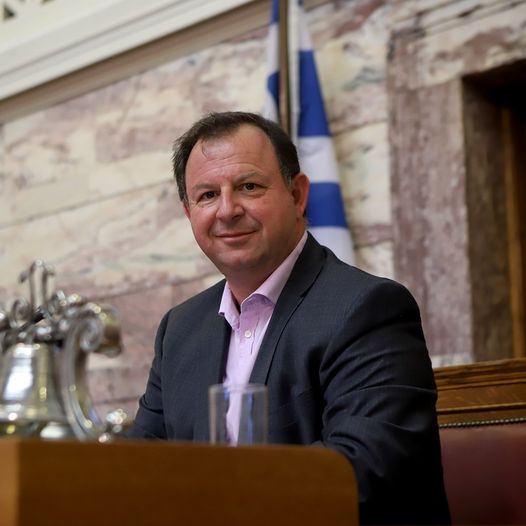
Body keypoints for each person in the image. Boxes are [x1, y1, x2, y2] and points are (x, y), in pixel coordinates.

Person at [129, 111, 450, 525]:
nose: (227, 210)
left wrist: (212, 501)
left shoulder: (368, 308)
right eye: (207, 195)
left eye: (249, 186)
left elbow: (364, 473)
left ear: (297, 195)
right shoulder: (179, 329)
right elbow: (139, 469)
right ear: (189, 213)